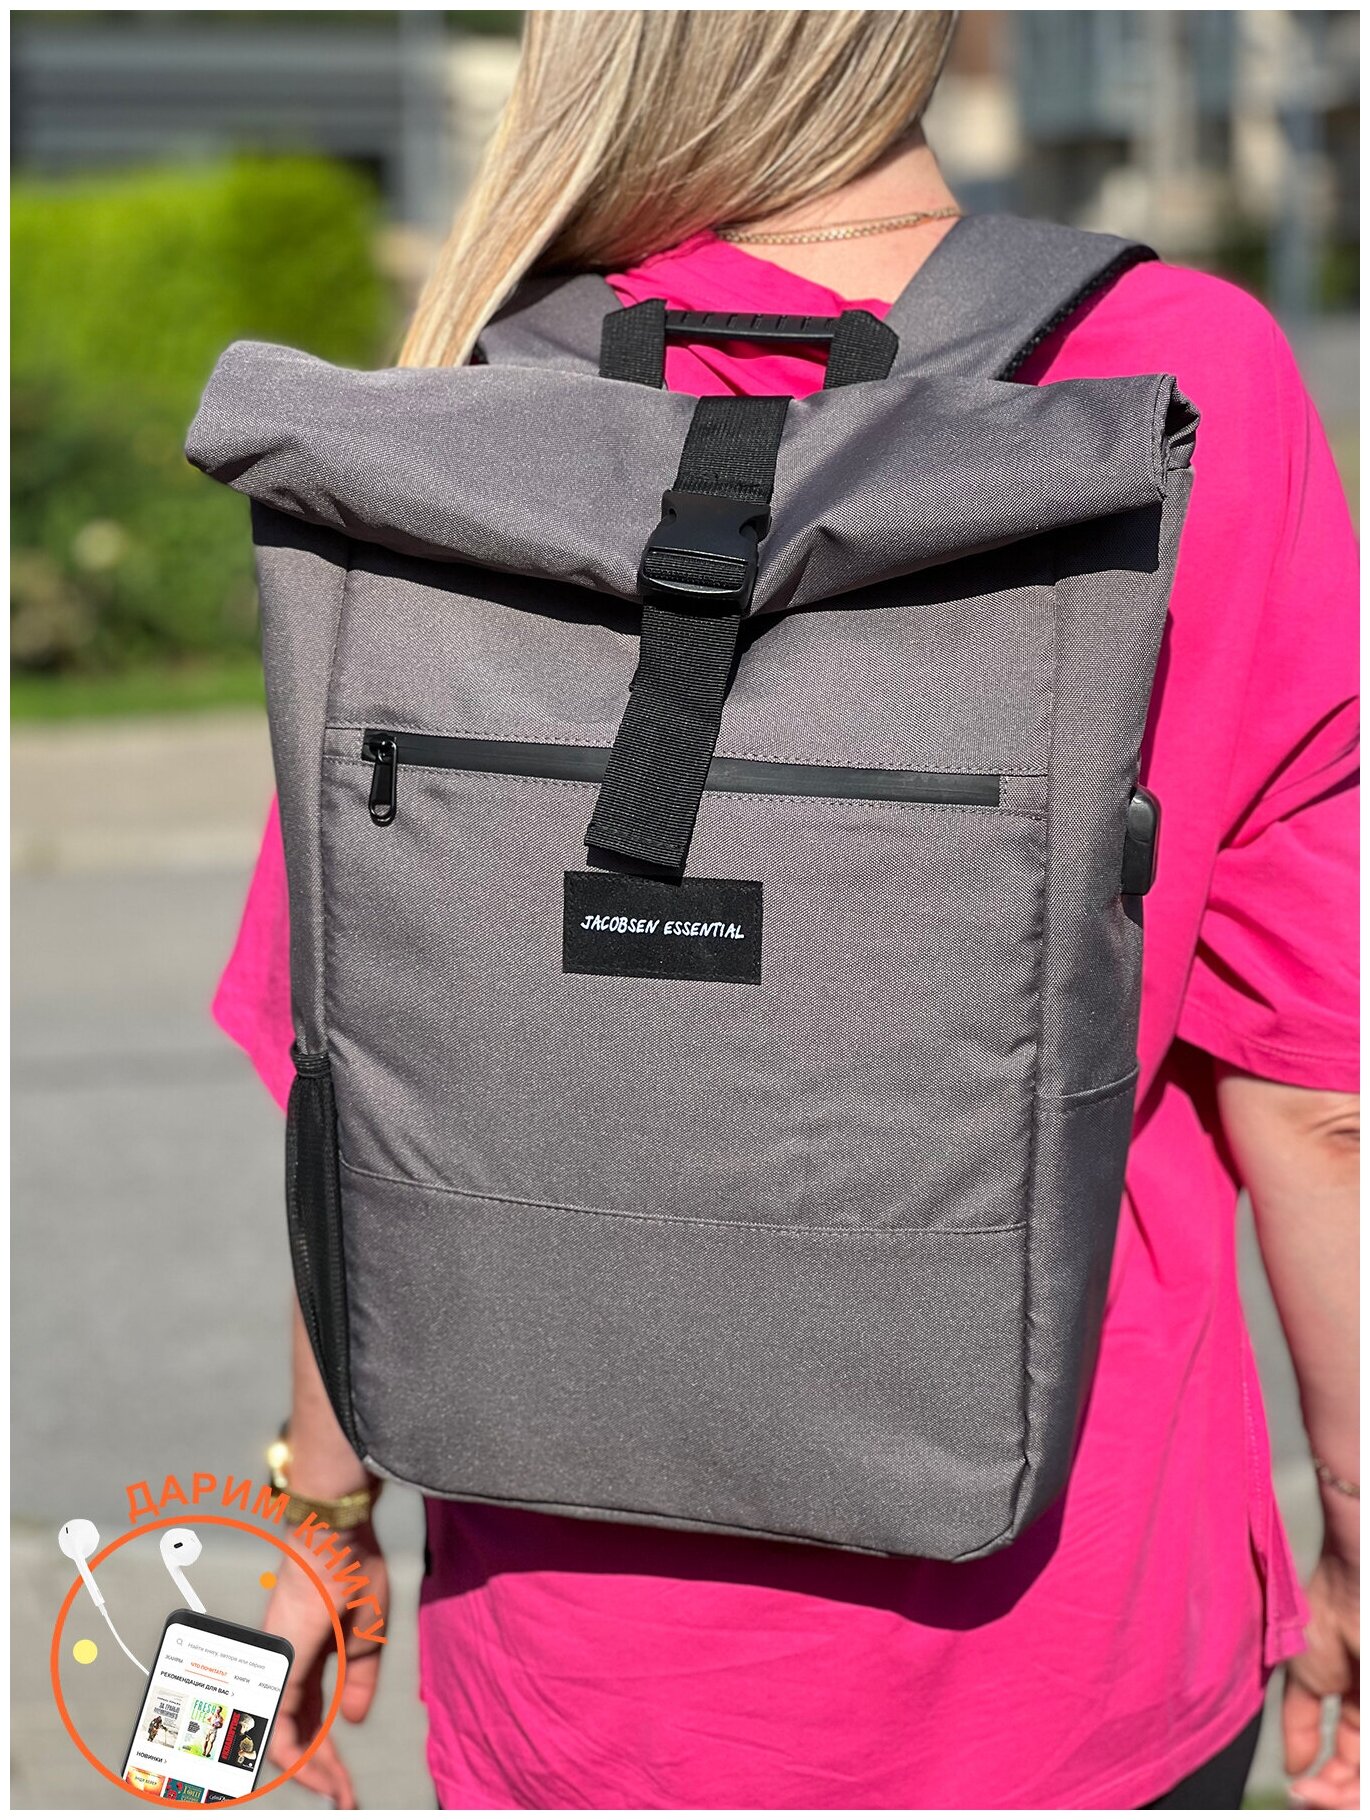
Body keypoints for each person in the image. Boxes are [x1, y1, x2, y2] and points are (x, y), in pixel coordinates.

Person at [211, 11, 1359, 1810]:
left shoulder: (474, 406)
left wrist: (317, 1508)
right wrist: (1351, 1534)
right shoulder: (1177, 372)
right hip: (1071, 1650)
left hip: (585, 1692)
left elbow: (363, 1061)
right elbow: (1311, 1090)